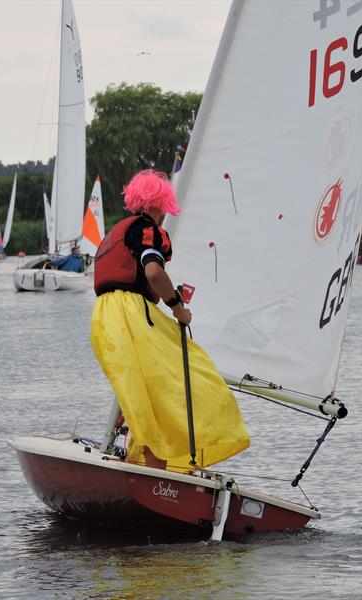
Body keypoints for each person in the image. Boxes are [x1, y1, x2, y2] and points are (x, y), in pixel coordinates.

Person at [90, 169, 249, 471]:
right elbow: (153, 273)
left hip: (103, 317)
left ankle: (147, 465)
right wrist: (177, 307)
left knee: (141, 393)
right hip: (130, 312)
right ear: (160, 204)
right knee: (187, 378)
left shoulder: (116, 231)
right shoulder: (148, 231)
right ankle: (158, 473)